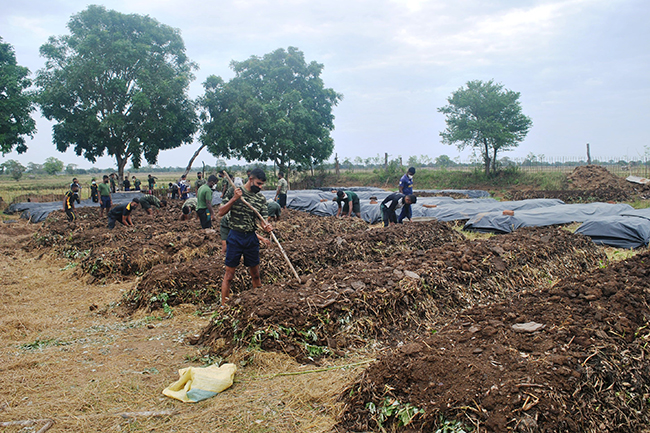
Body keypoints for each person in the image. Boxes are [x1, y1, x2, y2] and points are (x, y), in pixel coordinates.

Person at [218, 168, 273, 306]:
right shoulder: (235, 191)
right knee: (229, 275)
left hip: (251, 238)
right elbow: (220, 212)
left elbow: (263, 220)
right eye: (258, 184)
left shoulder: (260, 199)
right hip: (235, 236)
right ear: (250, 179)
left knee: (255, 274)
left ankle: (258, 303)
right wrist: (234, 199)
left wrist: (266, 227)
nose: (260, 187)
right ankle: (224, 306)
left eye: (262, 185)